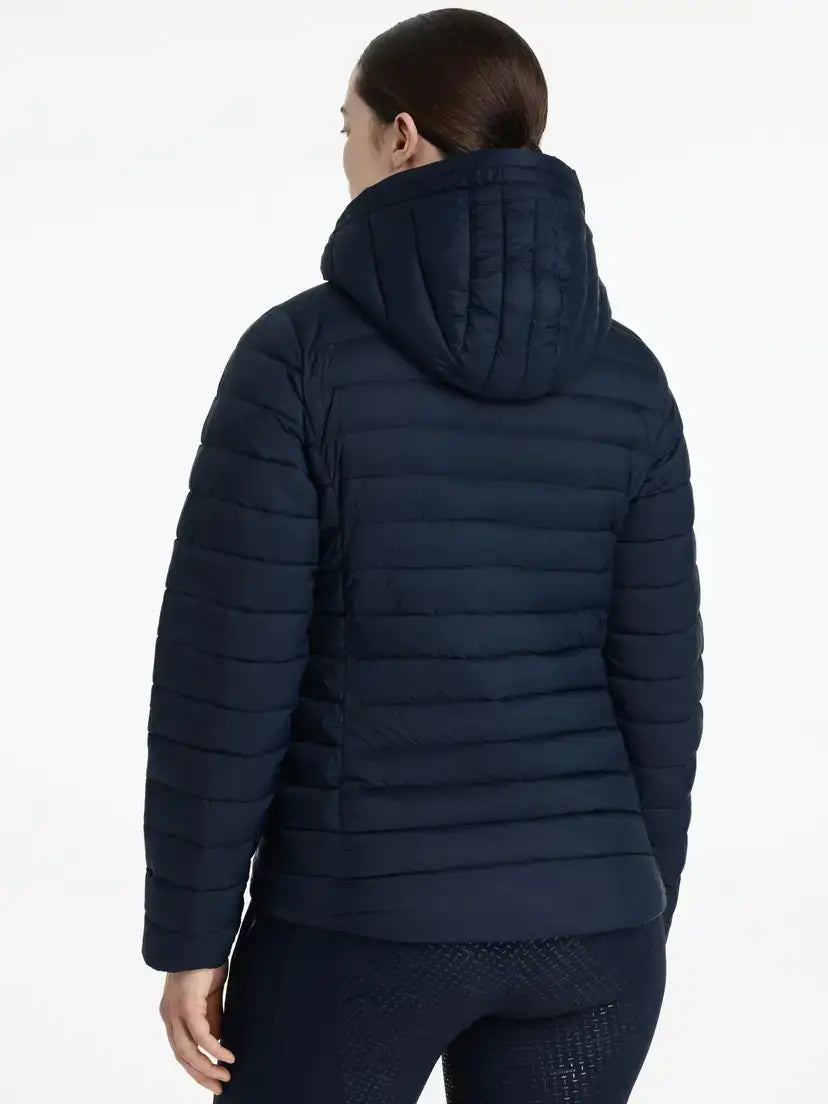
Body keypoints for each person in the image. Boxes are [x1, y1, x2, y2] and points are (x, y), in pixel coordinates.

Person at [141, 8, 704, 1103]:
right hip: (595, 932)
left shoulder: (298, 359)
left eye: (346, 128)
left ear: (401, 136)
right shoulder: (629, 378)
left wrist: (192, 934)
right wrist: (634, 900)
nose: (345, 155)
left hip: (358, 926)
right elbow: (658, 685)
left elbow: (228, 676)